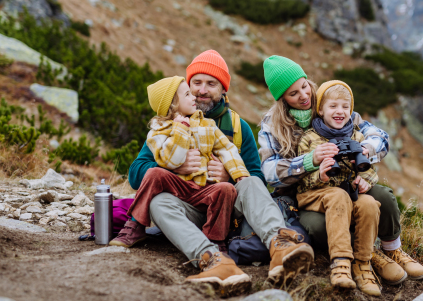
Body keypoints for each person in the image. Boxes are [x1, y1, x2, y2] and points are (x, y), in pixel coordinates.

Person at [126, 50, 314, 295]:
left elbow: (258, 178)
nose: (202, 90)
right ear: (187, 86)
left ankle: (281, 246)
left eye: (211, 84)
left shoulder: (238, 128)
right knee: (159, 203)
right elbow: (135, 174)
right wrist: (173, 166)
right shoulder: (168, 123)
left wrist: (229, 175)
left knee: (249, 183)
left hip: (227, 207)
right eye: (196, 83)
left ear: (223, 89)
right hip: (189, 209)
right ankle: (214, 261)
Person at [259, 55, 423, 285]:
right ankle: (367, 255)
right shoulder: (273, 124)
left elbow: (380, 137)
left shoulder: (329, 101)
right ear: (282, 99)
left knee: (384, 198)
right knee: (318, 226)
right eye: (293, 93)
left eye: (304, 85)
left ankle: (392, 249)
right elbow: (269, 172)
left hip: (347, 183)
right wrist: (309, 162)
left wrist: (365, 149)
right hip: (308, 192)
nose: (304, 95)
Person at [110, 76, 250, 252]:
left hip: (204, 190)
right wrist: (180, 130)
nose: (195, 96)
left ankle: (215, 241)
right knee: (154, 173)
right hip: (178, 190)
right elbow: (171, 160)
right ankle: (135, 225)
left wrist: (236, 174)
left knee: (226, 189)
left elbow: (227, 149)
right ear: (173, 105)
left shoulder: (209, 125)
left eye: (211, 83)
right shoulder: (158, 130)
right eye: (188, 93)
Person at [296, 80, 382, 296]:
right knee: (336, 195)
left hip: (348, 193)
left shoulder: (356, 136)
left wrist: (366, 180)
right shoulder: (309, 138)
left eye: (345, 107)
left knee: (370, 203)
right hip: (314, 192)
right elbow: (300, 179)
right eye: (333, 106)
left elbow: (369, 169)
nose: (340, 111)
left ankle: (363, 264)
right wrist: (320, 174)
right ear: (321, 109)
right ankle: (341, 263)